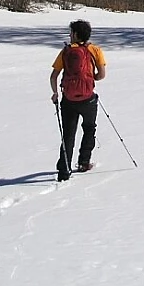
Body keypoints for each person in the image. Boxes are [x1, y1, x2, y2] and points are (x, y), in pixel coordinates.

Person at [50, 19, 106, 181]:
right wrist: (90, 79)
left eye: (70, 32)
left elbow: (54, 76)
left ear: (75, 34)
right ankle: (84, 162)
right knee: (89, 128)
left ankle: (64, 169)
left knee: (68, 134)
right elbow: (102, 75)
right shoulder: (94, 50)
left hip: (68, 100)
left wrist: (55, 93)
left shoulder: (66, 51)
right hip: (88, 98)